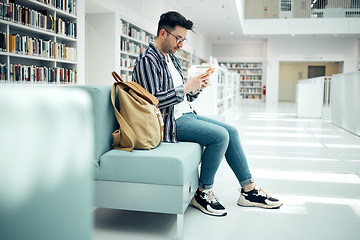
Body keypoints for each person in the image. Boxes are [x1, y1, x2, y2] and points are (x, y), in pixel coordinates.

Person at [132, 11, 282, 217]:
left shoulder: (172, 60)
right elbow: (154, 103)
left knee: (232, 131)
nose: (181, 44)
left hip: (185, 114)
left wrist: (195, 88)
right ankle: (203, 192)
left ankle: (248, 190)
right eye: (178, 39)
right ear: (163, 33)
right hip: (167, 122)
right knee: (220, 136)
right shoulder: (147, 60)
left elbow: (185, 98)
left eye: (183, 40)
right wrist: (185, 87)